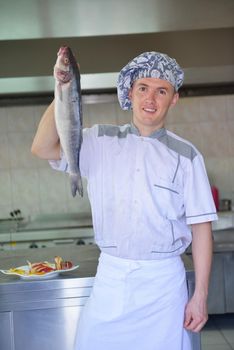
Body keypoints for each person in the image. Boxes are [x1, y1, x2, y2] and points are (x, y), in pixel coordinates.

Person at [31, 51, 218, 350]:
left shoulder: (187, 157)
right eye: (143, 88)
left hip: (163, 288)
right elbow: (42, 148)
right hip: (111, 282)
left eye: (161, 91)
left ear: (173, 99)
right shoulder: (98, 142)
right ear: (130, 92)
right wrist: (64, 90)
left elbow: (201, 229)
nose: (151, 99)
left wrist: (200, 296)